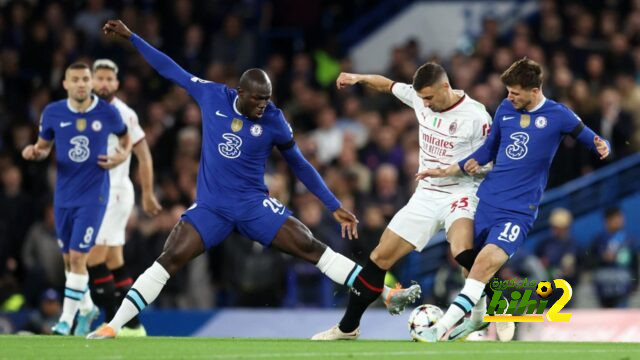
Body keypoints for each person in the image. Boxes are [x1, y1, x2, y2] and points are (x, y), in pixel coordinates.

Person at [88, 20, 417, 339]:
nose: (264, 105)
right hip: (212, 207)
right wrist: (132, 38)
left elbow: (300, 165)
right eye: (258, 99)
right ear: (240, 92)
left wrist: (333, 205)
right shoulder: (213, 96)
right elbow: (169, 68)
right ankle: (113, 326)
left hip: (253, 205)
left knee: (309, 245)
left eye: (268, 99)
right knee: (170, 257)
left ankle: (386, 294)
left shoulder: (275, 121)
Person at [414, 58, 610, 342]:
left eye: (515, 92)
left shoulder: (559, 115)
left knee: (482, 267)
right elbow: (487, 151)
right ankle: (481, 319)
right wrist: (452, 168)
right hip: (487, 201)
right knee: (468, 264)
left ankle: (440, 328)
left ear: (534, 90)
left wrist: (603, 145)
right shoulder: (506, 109)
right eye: (508, 91)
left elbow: (594, 139)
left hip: (518, 211)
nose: (509, 97)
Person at [312, 63, 495, 340]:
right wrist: (359, 77)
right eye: (422, 98)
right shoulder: (421, 100)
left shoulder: (475, 116)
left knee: (462, 252)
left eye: (430, 98)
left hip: (462, 193)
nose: (425, 103)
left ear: (445, 87)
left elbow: (492, 163)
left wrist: (466, 169)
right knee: (379, 258)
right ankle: (348, 328)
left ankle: (486, 314)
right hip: (426, 195)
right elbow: (386, 84)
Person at [22, 61, 131, 335]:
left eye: (85, 79)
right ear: (66, 84)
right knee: (69, 261)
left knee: (78, 256)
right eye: (76, 79)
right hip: (63, 196)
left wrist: (120, 155)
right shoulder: (52, 112)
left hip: (93, 195)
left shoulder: (107, 112)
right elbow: (44, 146)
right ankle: (86, 308)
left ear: (90, 82)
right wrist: (35, 152)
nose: (82, 83)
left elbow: (125, 138)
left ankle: (65, 320)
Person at [85, 58, 162, 337]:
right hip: (93, 197)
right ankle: (132, 325)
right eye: (99, 78)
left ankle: (110, 323)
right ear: (91, 81)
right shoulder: (84, 112)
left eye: (109, 79)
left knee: (92, 259)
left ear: (117, 84)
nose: (104, 83)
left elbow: (143, 155)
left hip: (115, 195)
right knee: (115, 260)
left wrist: (149, 192)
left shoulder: (125, 114)